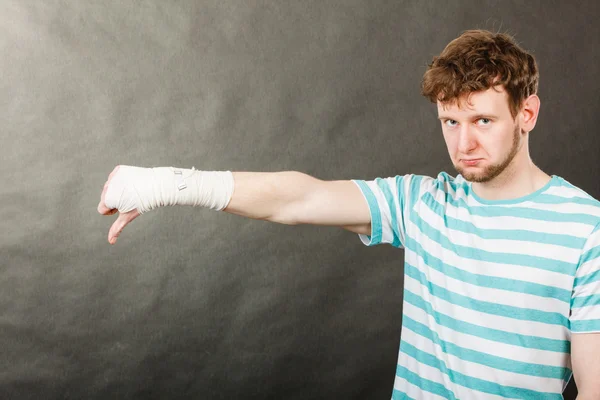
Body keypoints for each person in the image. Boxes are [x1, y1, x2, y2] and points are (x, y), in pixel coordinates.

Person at [97, 30, 600, 399]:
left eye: (483, 120)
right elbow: (298, 198)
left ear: (526, 114)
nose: (463, 143)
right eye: (450, 121)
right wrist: (168, 185)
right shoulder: (421, 204)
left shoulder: (585, 229)